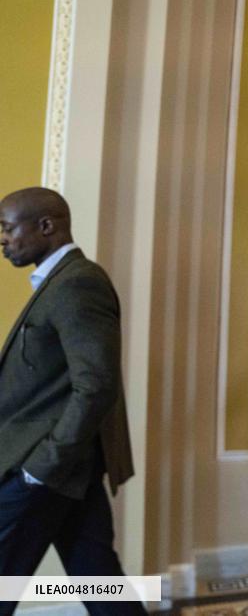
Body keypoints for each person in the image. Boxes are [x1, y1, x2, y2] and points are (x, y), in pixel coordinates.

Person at [0, 187, 143, 615]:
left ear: (46, 226)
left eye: (8, 229)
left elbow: (96, 385)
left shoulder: (78, 283)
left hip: (47, 470)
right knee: (99, 579)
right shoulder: (60, 282)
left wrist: (41, 469)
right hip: (68, 471)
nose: (3, 240)